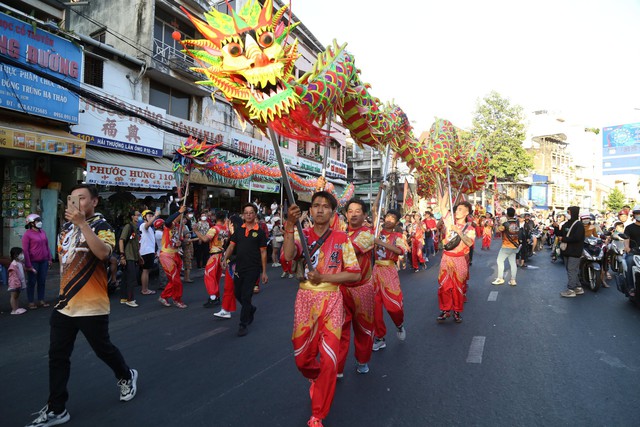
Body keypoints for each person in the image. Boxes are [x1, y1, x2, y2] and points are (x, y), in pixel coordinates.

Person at [26, 184, 137, 427]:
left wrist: (83, 225)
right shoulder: (65, 228)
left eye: (82, 199)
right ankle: (57, 409)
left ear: (94, 202)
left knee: (103, 349)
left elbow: (103, 254)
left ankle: (126, 375)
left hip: (92, 305)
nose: (76, 203)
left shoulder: (102, 226)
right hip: (65, 305)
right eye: (72, 199)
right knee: (57, 356)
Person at [282, 192, 361, 427]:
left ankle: (318, 414)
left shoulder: (341, 238)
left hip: (332, 300)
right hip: (305, 299)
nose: (319, 210)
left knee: (329, 360)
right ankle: (316, 377)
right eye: (315, 205)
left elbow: (354, 272)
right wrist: (288, 224)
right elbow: (288, 255)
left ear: (332, 212)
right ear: (310, 210)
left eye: (325, 206)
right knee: (302, 358)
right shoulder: (302, 234)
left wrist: (325, 276)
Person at [336, 199, 375, 376]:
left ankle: (362, 360)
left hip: (362, 288)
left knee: (363, 328)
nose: (353, 214)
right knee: (339, 329)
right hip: (342, 287)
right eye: (350, 211)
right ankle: (338, 367)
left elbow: (349, 251)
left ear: (365, 214)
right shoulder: (340, 233)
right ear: (345, 214)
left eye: (357, 211)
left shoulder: (367, 235)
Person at [222, 203, 268, 337]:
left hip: (253, 269)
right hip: (239, 268)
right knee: (237, 294)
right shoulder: (239, 231)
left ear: (255, 215)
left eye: (251, 212)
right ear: (243, 215)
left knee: (246, 296)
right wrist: (225, 259)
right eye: (246, 212)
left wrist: (264, 272)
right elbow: (231, 247)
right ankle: (251, 309)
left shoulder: (259, 232)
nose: (248, 215)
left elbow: (264, 253)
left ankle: (243, 324)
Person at [372, 209, 408, 351]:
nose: (388, 219)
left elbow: (400, 251)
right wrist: (380, 190)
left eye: (392, 218)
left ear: (397, 222)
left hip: (389, 271)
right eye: (387, 216)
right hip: (376, 271)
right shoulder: (376, 232)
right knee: (375, 307)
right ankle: (380, 337)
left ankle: (399, 324)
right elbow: (374, 211)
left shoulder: (397, 236)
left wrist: (379, 243)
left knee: (394, 306)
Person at [437, 202, 476, 323]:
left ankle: (457, 311)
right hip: (446, 257)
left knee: (457, 287)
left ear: (466, 212)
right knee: (444, 286)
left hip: (460, 259)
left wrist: (459, 231)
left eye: (460, 209)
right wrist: (442, 184)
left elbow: (469, 243)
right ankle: (445, 310)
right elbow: (442, 206)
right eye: (456, 209)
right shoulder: (450, 223)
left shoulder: (470, 229)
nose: (457, 211)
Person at [196, 211, 228, 308]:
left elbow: (206, 239)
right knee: (216, 277)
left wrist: (196, 231)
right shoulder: (225, 229)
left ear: (215, 218)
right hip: (222, 255)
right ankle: (216, 297)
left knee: (209, 276)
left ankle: (213, 297)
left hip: (214, 255)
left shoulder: (214, 229)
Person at [158, 205, 188, 308]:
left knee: (174, 279)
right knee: (176, 280)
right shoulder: (169, 225)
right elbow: (167, 221)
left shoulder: (179, 227)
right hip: (166, 255)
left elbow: (177, 241)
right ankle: (177, 300)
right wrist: (179, 211)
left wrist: (180, 242)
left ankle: (164, 296)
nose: (182, 216)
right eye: (181, 214)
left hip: (176, 254)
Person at [214, 214, 243, 319]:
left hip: (238, 265)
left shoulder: (240, 235)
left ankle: (246, 307)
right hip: (231, 264)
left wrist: (227, 259)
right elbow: (222, 246)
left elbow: (237, 252)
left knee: (238, 289)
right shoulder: (228, 234)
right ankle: (226, 309)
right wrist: (224, 258)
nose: (226, 223)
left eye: (228, 221)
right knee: (229, 287)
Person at [22, 213, 53, 309]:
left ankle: (41, 300)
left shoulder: (42, 232)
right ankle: (31, 302)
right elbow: (25, 251)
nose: (40, 223)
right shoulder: (27, 235)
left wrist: (50, 258)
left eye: (40, 220)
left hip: (44, 261)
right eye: (37, 221)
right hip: (33, 262)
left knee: (42, 281)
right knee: (31, 282)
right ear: (31, 223)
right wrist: (28, 265)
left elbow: (47, 246)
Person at [559, 206, 585, 298]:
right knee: (571, 270)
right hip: (566, 251)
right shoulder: (566, 224)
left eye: (568, 212)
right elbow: (560, 234)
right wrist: (556, 227)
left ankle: (571, 289)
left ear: (573, 213)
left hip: (575, 251)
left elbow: (577, 238)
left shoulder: (579, 225)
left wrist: (564, 239)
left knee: (571, 269)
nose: (567, 214)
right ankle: (578, 287)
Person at [118, 210, 141, 308]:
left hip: (133, 256)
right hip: (128, 256)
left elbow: (133, 243)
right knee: (131, 278)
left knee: (126, 278)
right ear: (132, 217)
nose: (139, 217)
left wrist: (139, 256)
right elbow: (121, 240)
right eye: (137, 215)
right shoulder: (129, 227)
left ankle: (124, 298)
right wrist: (122, 256)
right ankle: (130, 299)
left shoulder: (134, 228)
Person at [492, 208, 520, 286]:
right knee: (513, 263)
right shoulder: (517, 223)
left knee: (499, 261)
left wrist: (498, 223)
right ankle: (513, 280)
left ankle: (500, 278)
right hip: (515, 246)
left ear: (507, 214)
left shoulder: (505, 224)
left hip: (506, 246)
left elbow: (497, 231)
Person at [138, 209, 159, 296]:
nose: (151, 217)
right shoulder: (143, 225)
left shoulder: (150, 228)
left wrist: (154, 251)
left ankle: (145, 288)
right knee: (145, 271)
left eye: (151, 215)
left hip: (149, 251)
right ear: (144, 218)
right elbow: (147, 224)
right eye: (149, 216)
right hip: (146, 251)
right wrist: (155, 216)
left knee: (147, 270)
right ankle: (144, 289)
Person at [623, 206, 640, 296]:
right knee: (629, 262)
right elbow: (626, 239)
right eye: (638, 213)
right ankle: (631, 287)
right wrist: (627, 247)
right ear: (634, 215)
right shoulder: (629, 228)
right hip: (634, 252)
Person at [8, 246, 27, 315]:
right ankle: (14, 310)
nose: (22, 255)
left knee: (17, 296)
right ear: (15, 255)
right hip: (14, 284)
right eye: (21, 253)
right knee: (13, 296)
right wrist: (17, 283)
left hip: (19, 283)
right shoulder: (13, 264)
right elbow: (13, 276)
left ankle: (16, 308)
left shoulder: (20, 263)